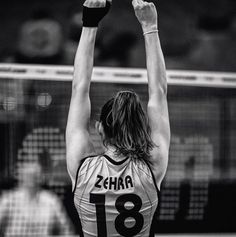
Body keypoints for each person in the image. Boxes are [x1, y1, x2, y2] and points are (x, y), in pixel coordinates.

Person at [66, 0, 170, 236]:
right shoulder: (151, 166)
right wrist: (149, 26)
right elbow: (159, 93)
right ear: (139, 127)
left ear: (100, 128)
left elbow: (79, 89)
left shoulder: (82, 167)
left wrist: (90, 22)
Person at [0, 162, 73, 236]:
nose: (32, 179)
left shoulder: (51, 200)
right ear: (21, 177)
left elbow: (66, 229)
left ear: (40, 178)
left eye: (35, 176)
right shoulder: (9, 200)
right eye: (28, 176)